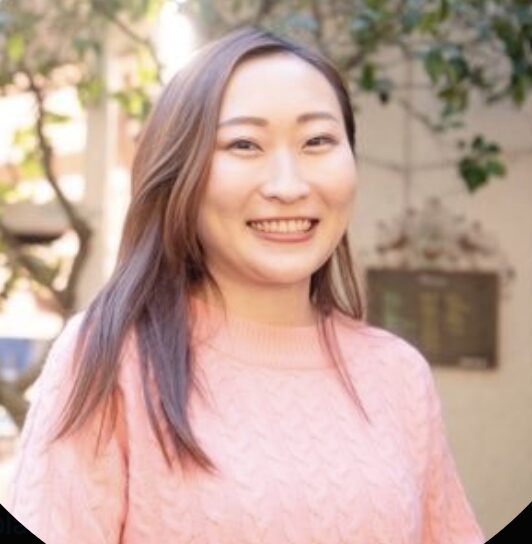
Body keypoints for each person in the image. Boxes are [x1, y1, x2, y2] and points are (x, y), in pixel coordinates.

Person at [4, 27, 485, 544]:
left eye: (317, 141)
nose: (288, 186)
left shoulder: (398, 374)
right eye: (244, 144)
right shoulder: (109, 357)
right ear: (181, 173)